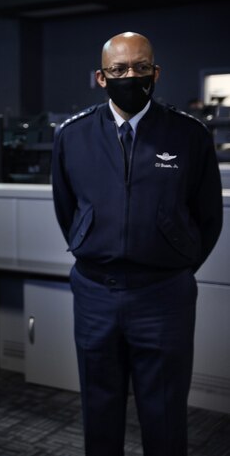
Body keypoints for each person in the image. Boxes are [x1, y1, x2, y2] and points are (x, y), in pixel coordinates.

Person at [51, 32, 223, 456]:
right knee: (99, 409)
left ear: (156, 72)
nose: (131, 76)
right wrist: (92, 243)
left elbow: (208, 218)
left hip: (164, 296)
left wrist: (172, 262)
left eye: (141, 68)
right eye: (119, 69)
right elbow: (66, 208)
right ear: (101, 77)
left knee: (164, 413)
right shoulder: (71, 135)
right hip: (95, 292)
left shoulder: (189, 135)